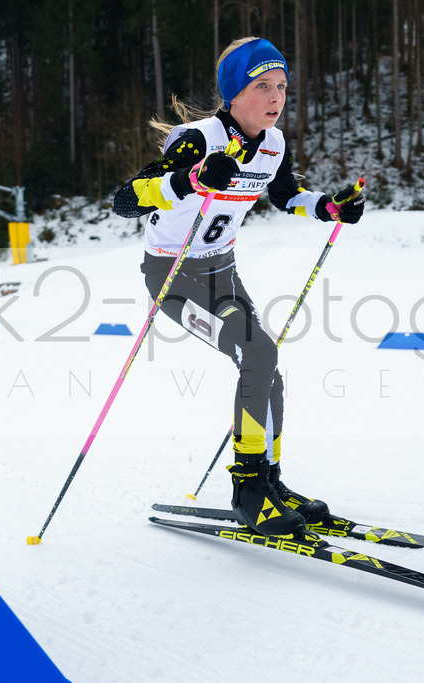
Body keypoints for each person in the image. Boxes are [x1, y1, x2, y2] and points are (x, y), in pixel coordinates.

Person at [113, 37, 365, 538]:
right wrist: (190, 178)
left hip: (222, 272)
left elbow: (285, 195)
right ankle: (247, 489)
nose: (276, 98)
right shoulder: (196, 139)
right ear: (233, 94)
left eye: (282, 87)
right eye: (263, 86)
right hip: (173, 276)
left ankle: (270, 482)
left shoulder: (274, 145)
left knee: (267, 368)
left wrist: (329, 207)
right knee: (258, 354)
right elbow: (126, 199)